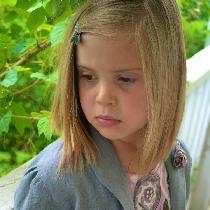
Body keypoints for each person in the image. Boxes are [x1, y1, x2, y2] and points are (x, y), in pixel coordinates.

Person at [14, 0, 192, 209]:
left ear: (168, 78)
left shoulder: (177, 158)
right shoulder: (52, 182)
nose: (102, 97)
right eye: (87, 76)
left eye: (125, 79)